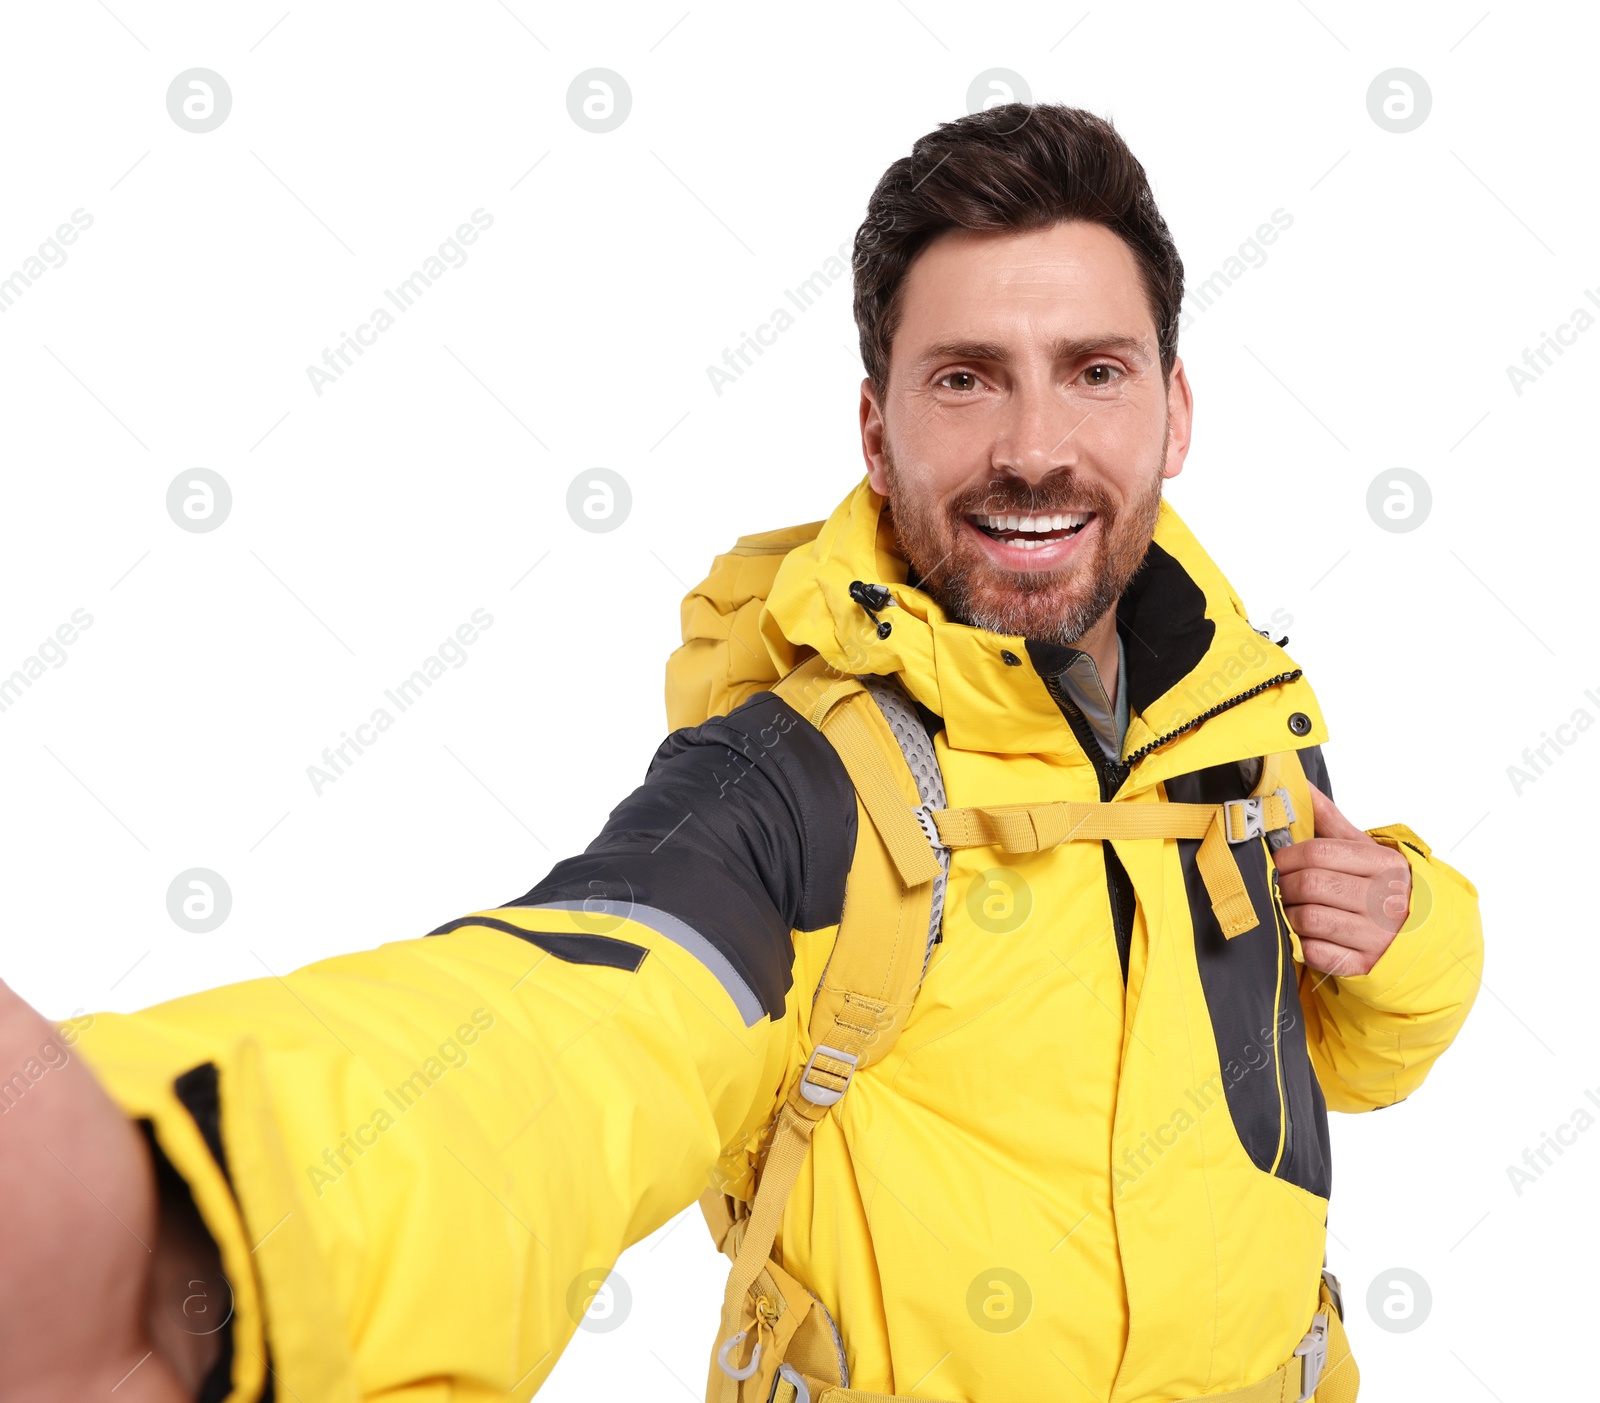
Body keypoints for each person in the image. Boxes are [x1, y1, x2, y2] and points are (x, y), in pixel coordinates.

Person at [0, 104, 1482, 1403]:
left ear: (1175, 411)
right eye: (965, 379)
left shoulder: (1241, 715)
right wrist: (189, 1226)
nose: (1035, 444)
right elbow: (567, 1029)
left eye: (1093, 371)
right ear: (875, 425)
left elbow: (1342, 1064)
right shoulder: (798, 781)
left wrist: (1416, 932)